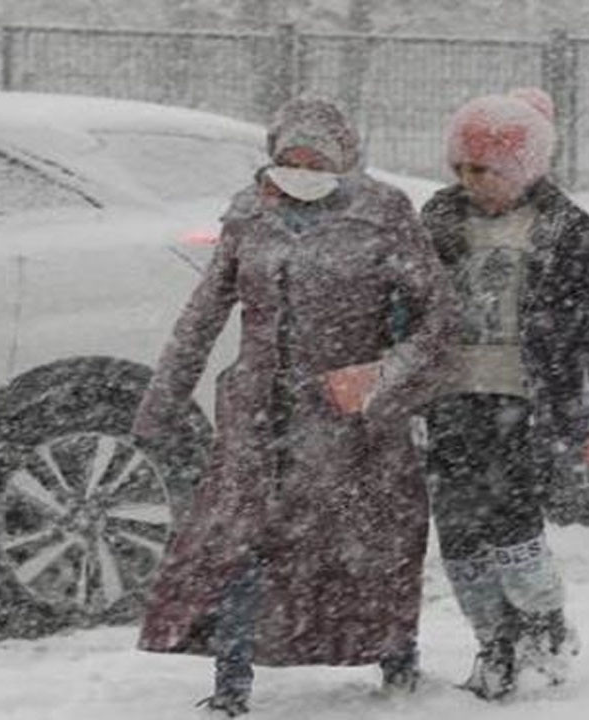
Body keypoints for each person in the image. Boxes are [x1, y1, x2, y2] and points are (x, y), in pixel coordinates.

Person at [130, 97, 455, 716]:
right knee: (241, 545)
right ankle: (231, 681)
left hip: (351, 423)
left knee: (369, 546)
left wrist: (380, 378)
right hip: (257, 418)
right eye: (289, 158)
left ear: (345, 160)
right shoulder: (250, 214)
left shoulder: (383, 214)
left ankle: (397, 658)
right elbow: (202, 315)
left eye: (316, 159)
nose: (300, 169)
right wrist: (161, 402)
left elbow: (437, 320)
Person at [420, 87, 589, 700]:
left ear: (521, 169)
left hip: (526, 405)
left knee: (514, 529)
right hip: (451, 400)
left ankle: (543, 628)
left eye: (486, 170)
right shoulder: (439, 219)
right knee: (461, 535)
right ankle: (492, 643)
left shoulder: (564, 229)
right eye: (462, 168)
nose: (472, 182)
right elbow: (403, 309)